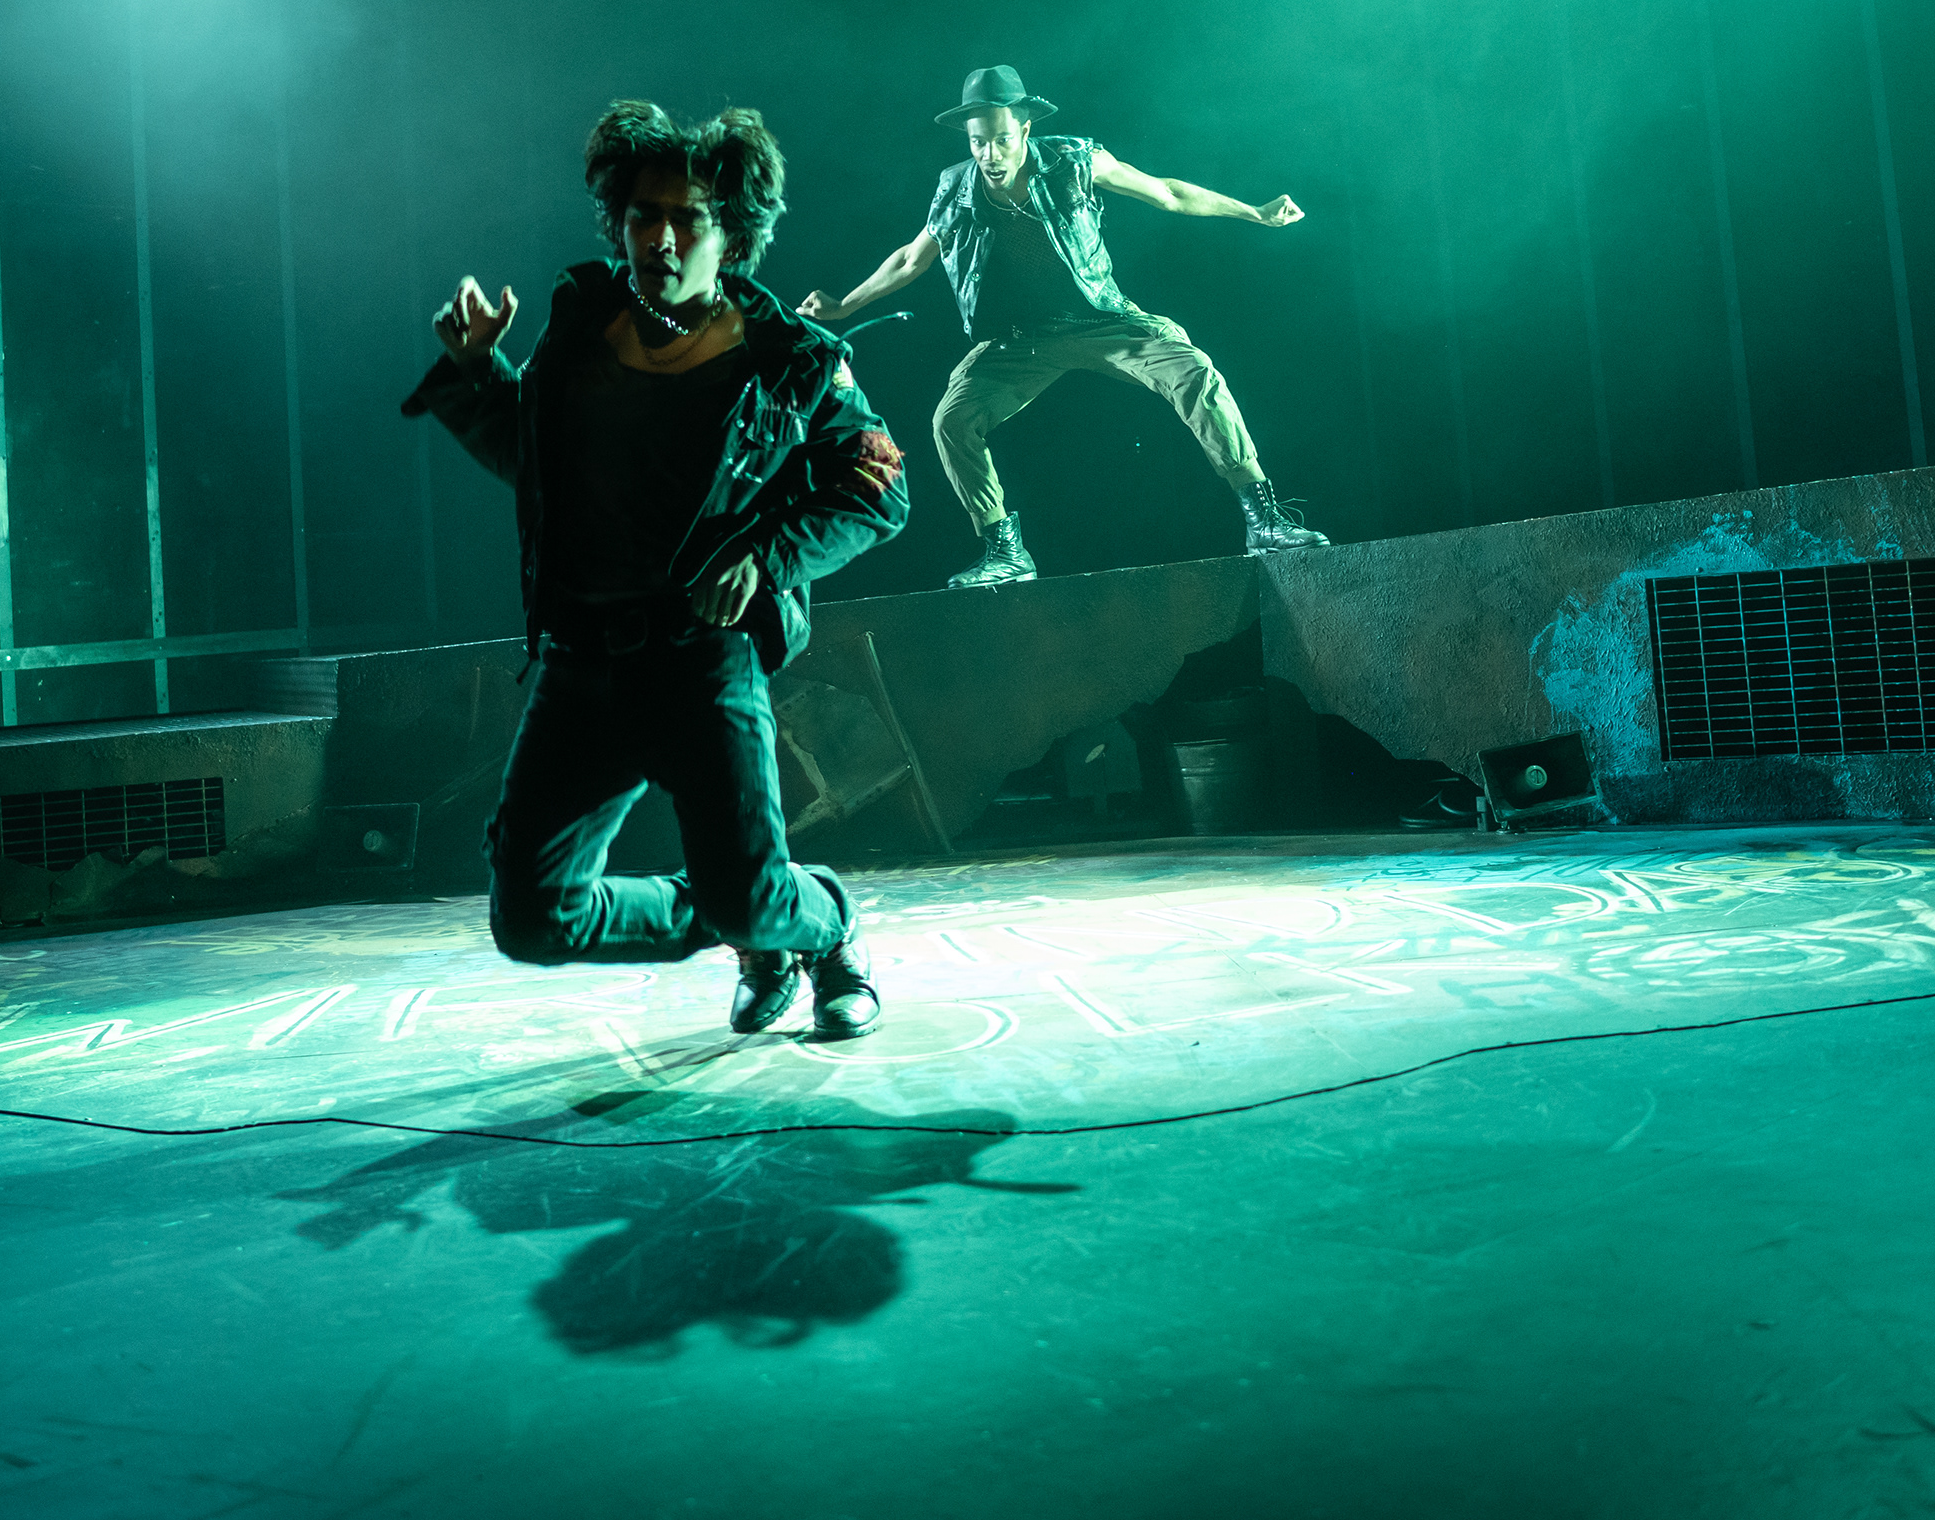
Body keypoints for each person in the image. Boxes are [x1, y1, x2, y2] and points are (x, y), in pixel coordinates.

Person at [403, 100, 909, 1040]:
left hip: (701, 661)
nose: (662, 239)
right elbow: (538, 467)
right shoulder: (581, 328)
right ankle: (740, 923)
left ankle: (822, 920)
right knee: (533, 916)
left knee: (753, 894)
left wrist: (765, 555)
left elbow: (880, 488)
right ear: (619, 221)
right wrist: (477, 370)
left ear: (733, 235)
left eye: (689, 219)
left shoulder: (789, 359)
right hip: (580, 665)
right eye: (645, 215)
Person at [800, 64, 1330, 587]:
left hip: (1102, 320)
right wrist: (844, 305)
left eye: (1002, 139)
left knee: (1195, 372)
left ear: (1025, 129)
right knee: (951, 421)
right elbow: (910, 259)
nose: (990, 154)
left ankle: (1264, 520)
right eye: (979, 142)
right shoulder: (957, 189)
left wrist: (1254, 213)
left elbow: (1167, 192)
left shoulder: (1075, 160)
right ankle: (1005, 551)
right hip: (1020, 340)